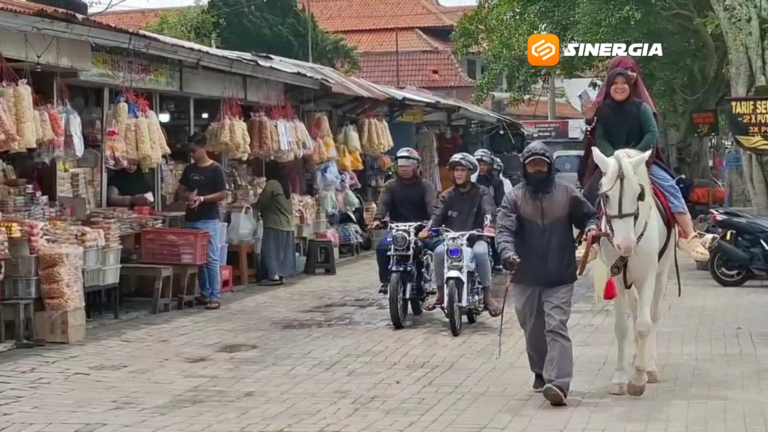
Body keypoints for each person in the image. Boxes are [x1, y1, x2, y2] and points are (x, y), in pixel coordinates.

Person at [496, 141, 598, 407]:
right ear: (525, 168)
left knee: (556, 326)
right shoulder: (513, 198)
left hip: (560, 274)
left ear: (550, 166)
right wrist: (507, 253)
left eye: (542, 163)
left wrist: (591, 228)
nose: (538, 168)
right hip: (525, 275)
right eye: (533, 165)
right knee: (532, 328)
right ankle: (541, 371)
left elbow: (588, 216)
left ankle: (558, 383)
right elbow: (504, 231)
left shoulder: (567, 193)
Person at [580, 56, 708, 261]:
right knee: (588, 192)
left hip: (642, 161)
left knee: (670, 186)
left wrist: (635, 156)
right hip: (612, 163)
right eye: (616, 81)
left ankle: (690, 236)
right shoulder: (601, 110)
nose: (621, 85)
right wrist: (616, 159)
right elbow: (599, 137)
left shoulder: (643, 107)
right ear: (609, 82)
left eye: (628, 76)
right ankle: (587, 239)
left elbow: (651, 134)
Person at [422, 153, 500, 316]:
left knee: (481, 252)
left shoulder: (482, 192)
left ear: (471, 172)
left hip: (476, 238)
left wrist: (489, 226)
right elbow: (436, 215)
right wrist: (428, 230)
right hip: (453, 240)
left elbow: (489, 210)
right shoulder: (447, 195)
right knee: (438, 252)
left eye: (462, 170)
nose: (458, 173)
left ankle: (487, 296)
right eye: (456, 170)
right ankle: (440, 293)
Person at [370, 148, 437, 294]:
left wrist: (432, 223)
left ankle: (438, 285)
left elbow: (433, 206)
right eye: (401, 165)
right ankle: (386, 281)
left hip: (421, 230)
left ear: (417, 167)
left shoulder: (426, 186)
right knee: (382, 248)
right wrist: (378, 219)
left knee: (441, 249)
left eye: (408, 165)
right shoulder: (390, 186)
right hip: (397, 230)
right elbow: (383, 204)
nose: (404, 168)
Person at [177, 132, 228, 310]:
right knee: (197, 259)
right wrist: (187, 197)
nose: (192, 154)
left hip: (208, 219)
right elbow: (180, 191)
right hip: (191, 218)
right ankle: (205, 293)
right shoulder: (189, 170)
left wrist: (204, 199)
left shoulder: (216, 169)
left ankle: (215, 295)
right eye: (189, 151)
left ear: (203, 147)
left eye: (194, 150)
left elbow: (223, 193)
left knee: (211, 258)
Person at [254, 160, 295, 286]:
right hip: (288, 224)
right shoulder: (285, 184)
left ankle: (273, 276)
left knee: (271, 250)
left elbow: (262, 201)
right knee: (282, 252)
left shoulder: (272, 184)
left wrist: (253, 206)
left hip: (274, 223)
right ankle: (281, 275)